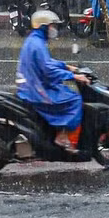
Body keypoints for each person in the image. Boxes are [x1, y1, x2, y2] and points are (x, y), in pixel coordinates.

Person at [16, 10, 87, 152]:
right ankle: (62, 135)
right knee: (74, 98)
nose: (54, 29)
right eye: (52, 26)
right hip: (36, 90)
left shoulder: (34, 40)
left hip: (32, 85)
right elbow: (48, 70)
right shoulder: (37, 44)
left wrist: (66, 66)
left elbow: (47, 62)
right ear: (43, 27)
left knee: (65, 89)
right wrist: (73, 76)